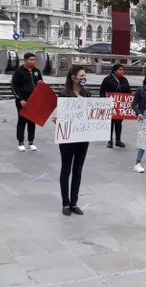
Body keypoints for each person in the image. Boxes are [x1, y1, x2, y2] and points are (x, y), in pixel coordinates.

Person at [57, 66, 91, 216]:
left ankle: (74, 202)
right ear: (73, 78)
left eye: (85, 76)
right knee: (66, 169)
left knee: (78, 170)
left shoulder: (87, 93)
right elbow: (62, 115)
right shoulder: (64, 95)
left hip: (83, 137)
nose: (84, 78)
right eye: (82, 75)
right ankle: (65, 202)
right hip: (68, 137)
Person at [11, 52, 43, 152]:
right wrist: (20, 99)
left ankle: (31, 142)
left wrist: (40, 84)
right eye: (31, 59)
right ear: (25, 60)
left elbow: (40, 84)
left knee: (32, 121)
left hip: (34, 101)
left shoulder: (37, 71)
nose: (33, 61)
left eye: (34, 59)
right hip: (23, 101)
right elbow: (13, 86)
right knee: (22, 121)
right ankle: (20, 142)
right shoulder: (19, 71)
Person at [100, 64, 132, 149]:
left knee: (119, 123)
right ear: (114, 71)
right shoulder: (107, 79)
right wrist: (104, 100)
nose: (122, 71)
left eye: (122, 70)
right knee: (111, 123)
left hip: (120, 105)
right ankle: (110, 141)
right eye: (120, 70)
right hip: (111, 104)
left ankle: (118, 140)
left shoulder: (124, 80)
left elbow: (128, 91)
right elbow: (102, 91)